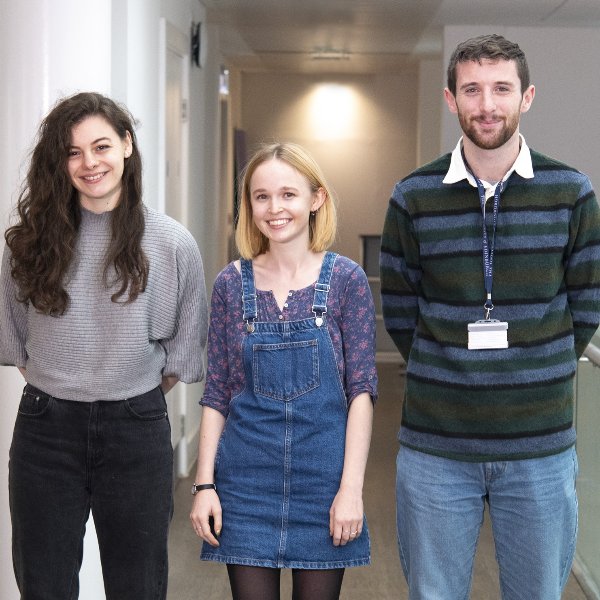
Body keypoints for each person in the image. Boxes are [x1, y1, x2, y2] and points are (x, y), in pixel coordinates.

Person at [380, 34, 600, 599]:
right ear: (451, 99)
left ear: (527, 97)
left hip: (539, 446)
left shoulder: (570, 193)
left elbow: (588, 299)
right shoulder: (414, 196)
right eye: (472, 89)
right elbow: (402, 310)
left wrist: (538, 366)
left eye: (501, 88)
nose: (487, 104)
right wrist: (448, 366)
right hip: (437, 446)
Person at [0, 92, 208, 599]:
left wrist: (123, 388)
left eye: (101, 146)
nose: (89, 163)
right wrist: (70, 385)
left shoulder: (173, 244)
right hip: (46, 432)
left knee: (137, 586)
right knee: (43, 586)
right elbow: (18, 343)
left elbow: (184, 351)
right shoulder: (26, 245)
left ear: (127, 146)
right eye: (73, 152)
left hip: (135, 431)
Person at [189, 142, 377, 600]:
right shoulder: (231, 285)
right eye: (261, 197)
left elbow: (362, 394)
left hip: (324, 486)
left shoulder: (347, 281)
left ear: (316, 199)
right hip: (246, 487)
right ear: (249, 206)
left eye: (288, 194)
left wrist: (351, 489)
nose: (275, 208)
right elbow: (217, 394)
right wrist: (204, 485)